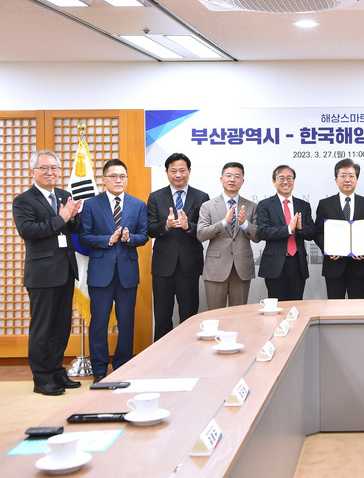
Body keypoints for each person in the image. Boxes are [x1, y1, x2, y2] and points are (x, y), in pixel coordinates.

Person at [13, 151, 82, 395]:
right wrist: (61, 217)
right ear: (33, 171)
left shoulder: (64, 195)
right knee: (42, 327)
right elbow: (29, 231)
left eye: (54, 168)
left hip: (65, 270)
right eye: (44, 168)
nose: (50, 172)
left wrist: (72, 217)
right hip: (42, 274)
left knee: (61, 327)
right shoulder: (24, 200)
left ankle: (56, 371)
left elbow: (73, 228)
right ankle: (42, 378)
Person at [79, 159, 148, 383]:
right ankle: (99, 369)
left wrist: (129, 238)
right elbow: (84, 237)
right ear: (104, 179)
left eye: (122, 176)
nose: (119, 180)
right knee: (98, 322)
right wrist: (107, 240)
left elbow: (144, 236)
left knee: (126, 322)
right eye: (114, 176)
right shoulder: (91, 205)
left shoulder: (138, 205)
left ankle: (122, 366)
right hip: (101, 272)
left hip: (127, 272)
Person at [147, 153, 209, 341]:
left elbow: (205, 229)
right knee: (162, 316)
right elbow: (149, 229)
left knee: (189, 315)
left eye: (182, 170)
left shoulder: (201, 197)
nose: (178, 175)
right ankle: (161, 355)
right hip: (163, 266)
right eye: (173, 171)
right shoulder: (156, 197)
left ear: (189, 171)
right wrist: (165, 226)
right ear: (166, 172)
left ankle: (188, 353)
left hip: (189, 264)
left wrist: (188, 226)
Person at [197, 162, 259, 309]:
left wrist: (245, 224)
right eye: (228, 175)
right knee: (215, 314)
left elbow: (257, 237)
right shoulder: (208, 205)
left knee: (238, 315)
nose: (232, 179)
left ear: (242, 181)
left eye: (237, 176)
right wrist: (223, 223)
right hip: (216, 268)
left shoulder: (252, 206)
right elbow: (201, 234)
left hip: (241, 268)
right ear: (221, 179)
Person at [314, 159, 364, 299]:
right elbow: (318, 232)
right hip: (334, 265)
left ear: (356, 179)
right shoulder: (325, 204)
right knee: (334, 306)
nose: (347, 180)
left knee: (358, 306)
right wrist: (328, 249)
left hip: (360, 265)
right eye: (343, 176)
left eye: (351, 176)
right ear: (336, 179)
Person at [257, 165, 315, 301]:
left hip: (297, 263)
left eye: (289, 178)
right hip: (275, 264)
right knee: (276, 306)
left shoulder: (303, 205)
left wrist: (300, 228)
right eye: (281, 178)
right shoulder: (265, 205)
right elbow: (263, 232)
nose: (286, 182)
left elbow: (312, 232)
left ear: (294, 181)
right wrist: (289, 229)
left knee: (296, 305)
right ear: (274, 182)